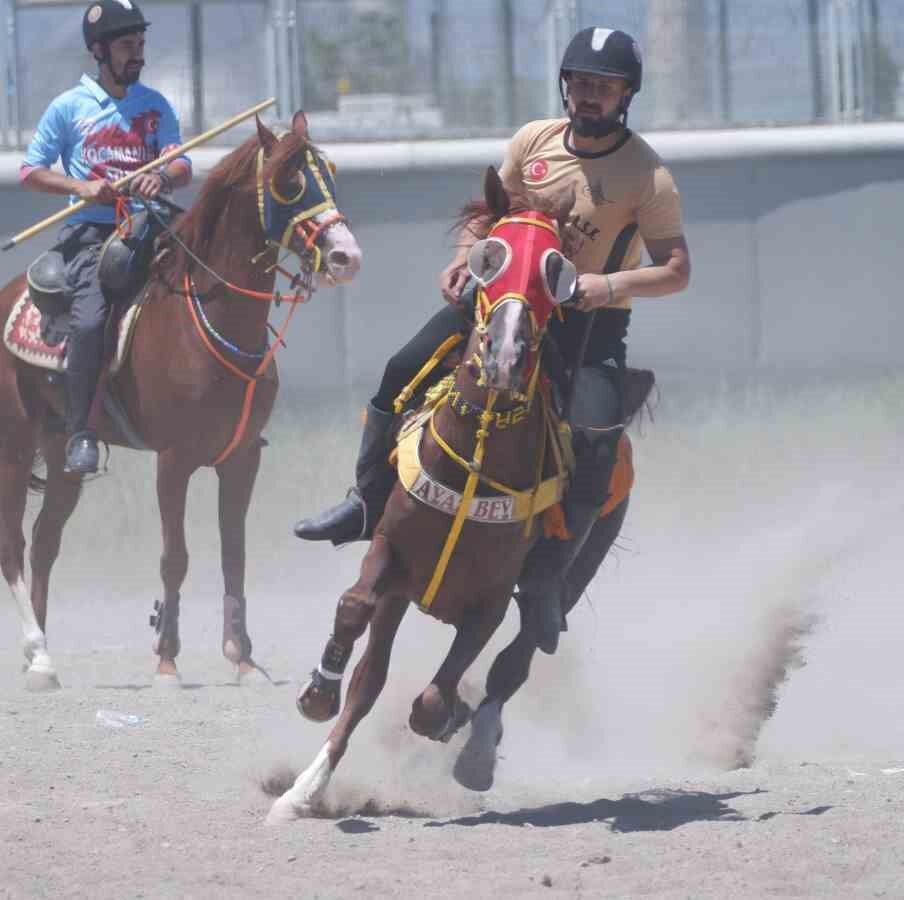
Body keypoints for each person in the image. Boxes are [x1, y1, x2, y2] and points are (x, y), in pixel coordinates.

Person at [293, 25, 692, 652]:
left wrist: (602, 285)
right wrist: (464, 257)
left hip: (586, 322)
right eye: (581, 83)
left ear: (626, 96)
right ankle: (366, 503)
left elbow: (676, 270)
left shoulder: (647, 173)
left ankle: (545, 586)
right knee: (402, 368)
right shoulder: (532, 140)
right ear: (566, 87)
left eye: (604, 87)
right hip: (505, 300)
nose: (589, 96)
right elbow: (490, 217)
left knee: (594, 438)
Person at [20, 0, 192, 474]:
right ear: (99, 51)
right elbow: (29, 172)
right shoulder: (68, 107)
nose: (137, 53)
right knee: (91, 320)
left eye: (140, 44)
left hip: (153, 223)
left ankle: (225, 410)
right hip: (92, 231)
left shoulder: (156, 106)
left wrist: (165, 179)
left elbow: (180, 162)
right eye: (126, 45)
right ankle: (80, 433)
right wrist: (81, 186)